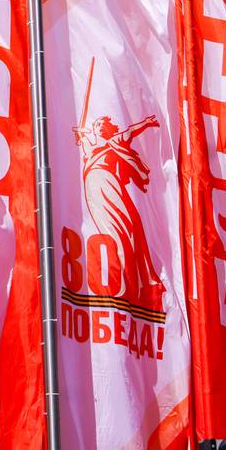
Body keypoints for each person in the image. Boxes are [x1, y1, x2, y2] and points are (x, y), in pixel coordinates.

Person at [73, 114, 164, 308]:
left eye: (101, 124)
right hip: (94, 187)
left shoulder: (114, 141)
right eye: (96, 124)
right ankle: (119, 276)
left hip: (110, 184)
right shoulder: (90, 146)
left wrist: (146, 123)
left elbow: (131, 131)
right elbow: (81, 140)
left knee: (127, 227)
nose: (98, 127)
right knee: (109, 229)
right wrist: (79, 135)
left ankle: (133, 278)